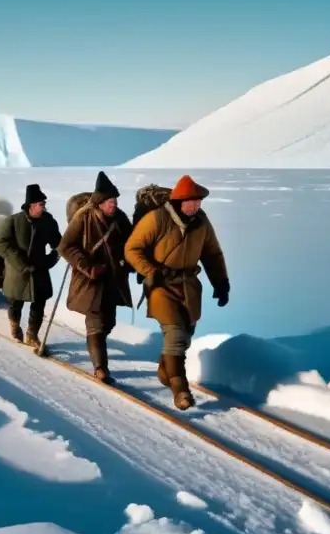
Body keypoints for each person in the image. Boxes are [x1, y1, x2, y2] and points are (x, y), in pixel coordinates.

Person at [123, 174, 229, 410]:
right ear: (181, 200)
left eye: (200, 201)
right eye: (193, 201)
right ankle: (181, 391)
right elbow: (132, 249)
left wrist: (221, 283)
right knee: (175, 335)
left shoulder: (201, 221)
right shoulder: (156, 219)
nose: (198, 205)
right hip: (161, 286)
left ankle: (166, 372)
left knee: (186, 336)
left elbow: (212, 254)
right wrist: (151, 271)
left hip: (189, 286)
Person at [57, 171, 134, 384]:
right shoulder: (83, 217)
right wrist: (87, 266)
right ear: (99, 203)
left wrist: (129, 263)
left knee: (108, 323)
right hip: (90, 280)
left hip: (112, 281)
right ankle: (101, 368)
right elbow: (65, 246)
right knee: (96, 324)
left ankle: (97, 349)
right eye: (110, 201)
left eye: (115, 200)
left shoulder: (119, 218)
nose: (113, 204)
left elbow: (131, 244)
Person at [0, 184, 62, 348]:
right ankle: (15, 325)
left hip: (39, 269)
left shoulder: (48, 221)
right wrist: (20, 262)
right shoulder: (13, 221)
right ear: (31, 205)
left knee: (40, 302)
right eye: (41, 204)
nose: (44, 206)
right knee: (15, 301)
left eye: (44, 204)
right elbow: (0, 244)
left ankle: (32, 334)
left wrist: (51, 259)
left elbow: (58, 244)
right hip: (18, 271)